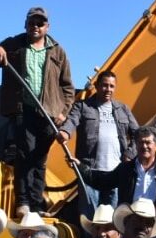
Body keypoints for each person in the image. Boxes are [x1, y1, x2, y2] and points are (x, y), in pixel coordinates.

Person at [0, 6, 76, 213]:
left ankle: (36, 202)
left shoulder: (58, 51)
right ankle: (23, 202)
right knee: (25, 153)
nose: (36, 26)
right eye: (32, 22)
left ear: (47, 27)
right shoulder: (13, 44)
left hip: (49, 113)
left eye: (40, 23)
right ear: (26, 24)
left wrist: (63, 112)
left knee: (40, 159)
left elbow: (68, 87)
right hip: (23, 109)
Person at [58, 70, 140, 209]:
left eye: (111, 86)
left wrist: (129, 154)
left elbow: (138, 135)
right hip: (90, 172)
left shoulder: (123, 109)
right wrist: (65, 132)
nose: (108, 89)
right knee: (89, 216)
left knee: (111, 220)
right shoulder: (83, 106)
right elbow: (72, 120)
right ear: (96, 86)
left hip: (116, 172)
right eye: (104, 85)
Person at [79, 126, 156, 205]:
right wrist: (80, 167)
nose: (144, 146)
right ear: (136, 145)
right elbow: (103, 181)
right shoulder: (125, 169)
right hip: (130, 219)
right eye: (141, 142)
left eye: (148, 142)